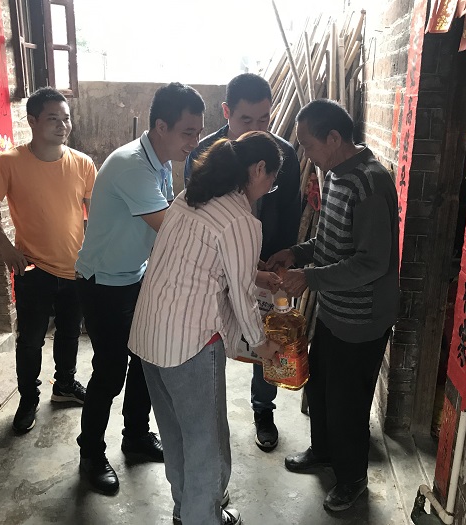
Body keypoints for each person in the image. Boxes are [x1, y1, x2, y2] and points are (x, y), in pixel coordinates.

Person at [130, 131, 283, 525]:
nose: (268, 189)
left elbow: (207, 265)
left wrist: (255, 276)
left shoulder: (189, 198)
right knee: (207, 446)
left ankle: (186, 511)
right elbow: (242, 297)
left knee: (176, 435)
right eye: (271, 181)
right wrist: (261, 343)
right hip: (190, 343)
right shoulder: (241, 220)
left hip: (150, 333)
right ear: (258, 169)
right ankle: (203, 518)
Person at [267, 99, 399, 512]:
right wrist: (297, 252)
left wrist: (311, 278)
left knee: (348, 404)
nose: (306, 153)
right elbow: (330, 240)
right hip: (335, 311)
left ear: (335, 138)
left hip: (362, 319)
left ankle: (352, 479)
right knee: (321, 386)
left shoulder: (370, 184)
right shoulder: (337, 175)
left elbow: (372, 262)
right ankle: (323, 451)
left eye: (308, 144)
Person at [75, 82, 206, 495]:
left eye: (198, 132)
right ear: (161, 126)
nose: (194, 142)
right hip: (103, 283)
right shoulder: (132, 165)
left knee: (145, 359)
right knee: (110, 371)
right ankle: (90, 453)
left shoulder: (160, 160)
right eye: (188, 132)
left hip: (135, 275)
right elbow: (171, 231)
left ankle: (135, 436)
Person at [184, 73, 301, 452]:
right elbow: (197, 214)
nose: (256, 129)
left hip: (268, 262)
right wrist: (239, 262)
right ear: (226, 112)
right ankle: (210, 414)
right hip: (215, 270)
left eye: (264, 119)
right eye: (245, 120)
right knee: (212, 340)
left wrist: (278, 260)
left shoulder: (283, 154)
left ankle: (263, 410)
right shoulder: (205, 153)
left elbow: (290, 212)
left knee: (267, 335)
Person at [0, 87, 96, 433]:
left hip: (76, 268)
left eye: (66, 118)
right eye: (52, 118)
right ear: (32, 121)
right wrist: (5, 248)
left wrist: (93, 255)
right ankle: (28, 399)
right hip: (33, 268)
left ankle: (64, 385)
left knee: (70, 333)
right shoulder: (9, 162)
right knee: (30, 340)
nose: (62, 125)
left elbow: (94, 214)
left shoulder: (83, 164)